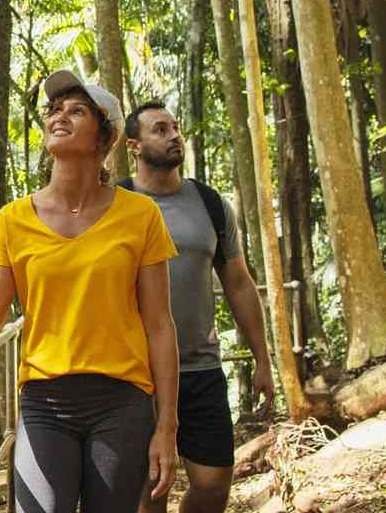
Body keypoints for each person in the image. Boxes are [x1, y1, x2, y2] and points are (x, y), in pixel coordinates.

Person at [0, 69, 181, 513]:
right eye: (54, 110)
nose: (59, 117)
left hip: (122, 403)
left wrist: (166, 426)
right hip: (45, 404)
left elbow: (159, 326)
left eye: (77, 111)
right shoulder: (12, 220)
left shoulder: (141, 215)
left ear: (105, 138)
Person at [119, 102, 275, 513]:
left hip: (201, 367)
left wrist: (262, 358)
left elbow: (238, 283)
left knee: (213, 482)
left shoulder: (209, 202)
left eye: (175, 128)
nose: (174, 136)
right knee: (149, 491)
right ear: (133, 145)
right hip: (135, 373)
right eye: (160, 129)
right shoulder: (115, 203)